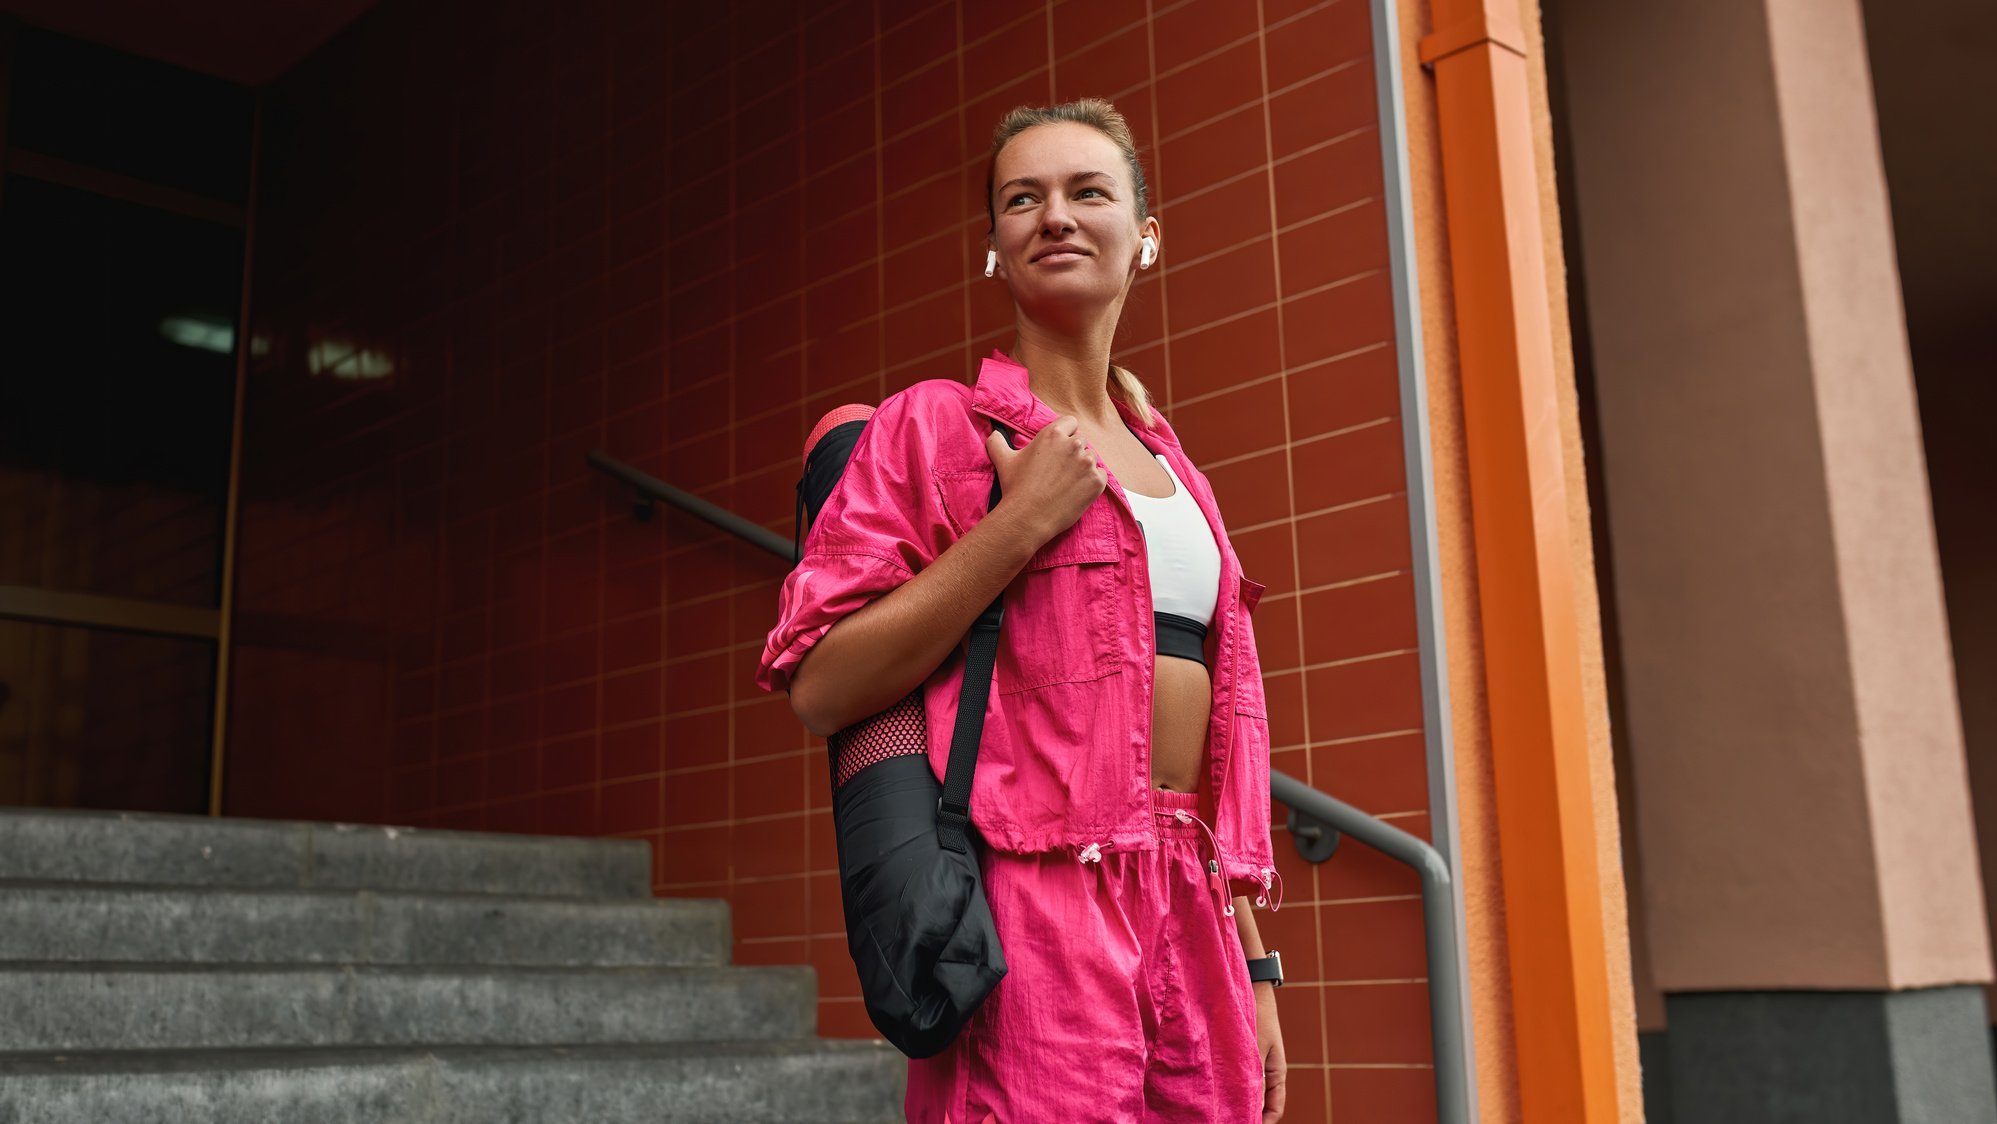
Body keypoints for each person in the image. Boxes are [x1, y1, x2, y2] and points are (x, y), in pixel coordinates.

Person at [756, 98, 1286, 1124]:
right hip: (1032, 902)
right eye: (1020, 198)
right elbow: (821, 686)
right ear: (994, 248)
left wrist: (1254, 966)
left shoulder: (1179, 470)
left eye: (1088, 191)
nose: (1053, 215)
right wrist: (1010, 529)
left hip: (1193, 904)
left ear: (1144, 237)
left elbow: (1218, 747)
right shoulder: (931, 426)